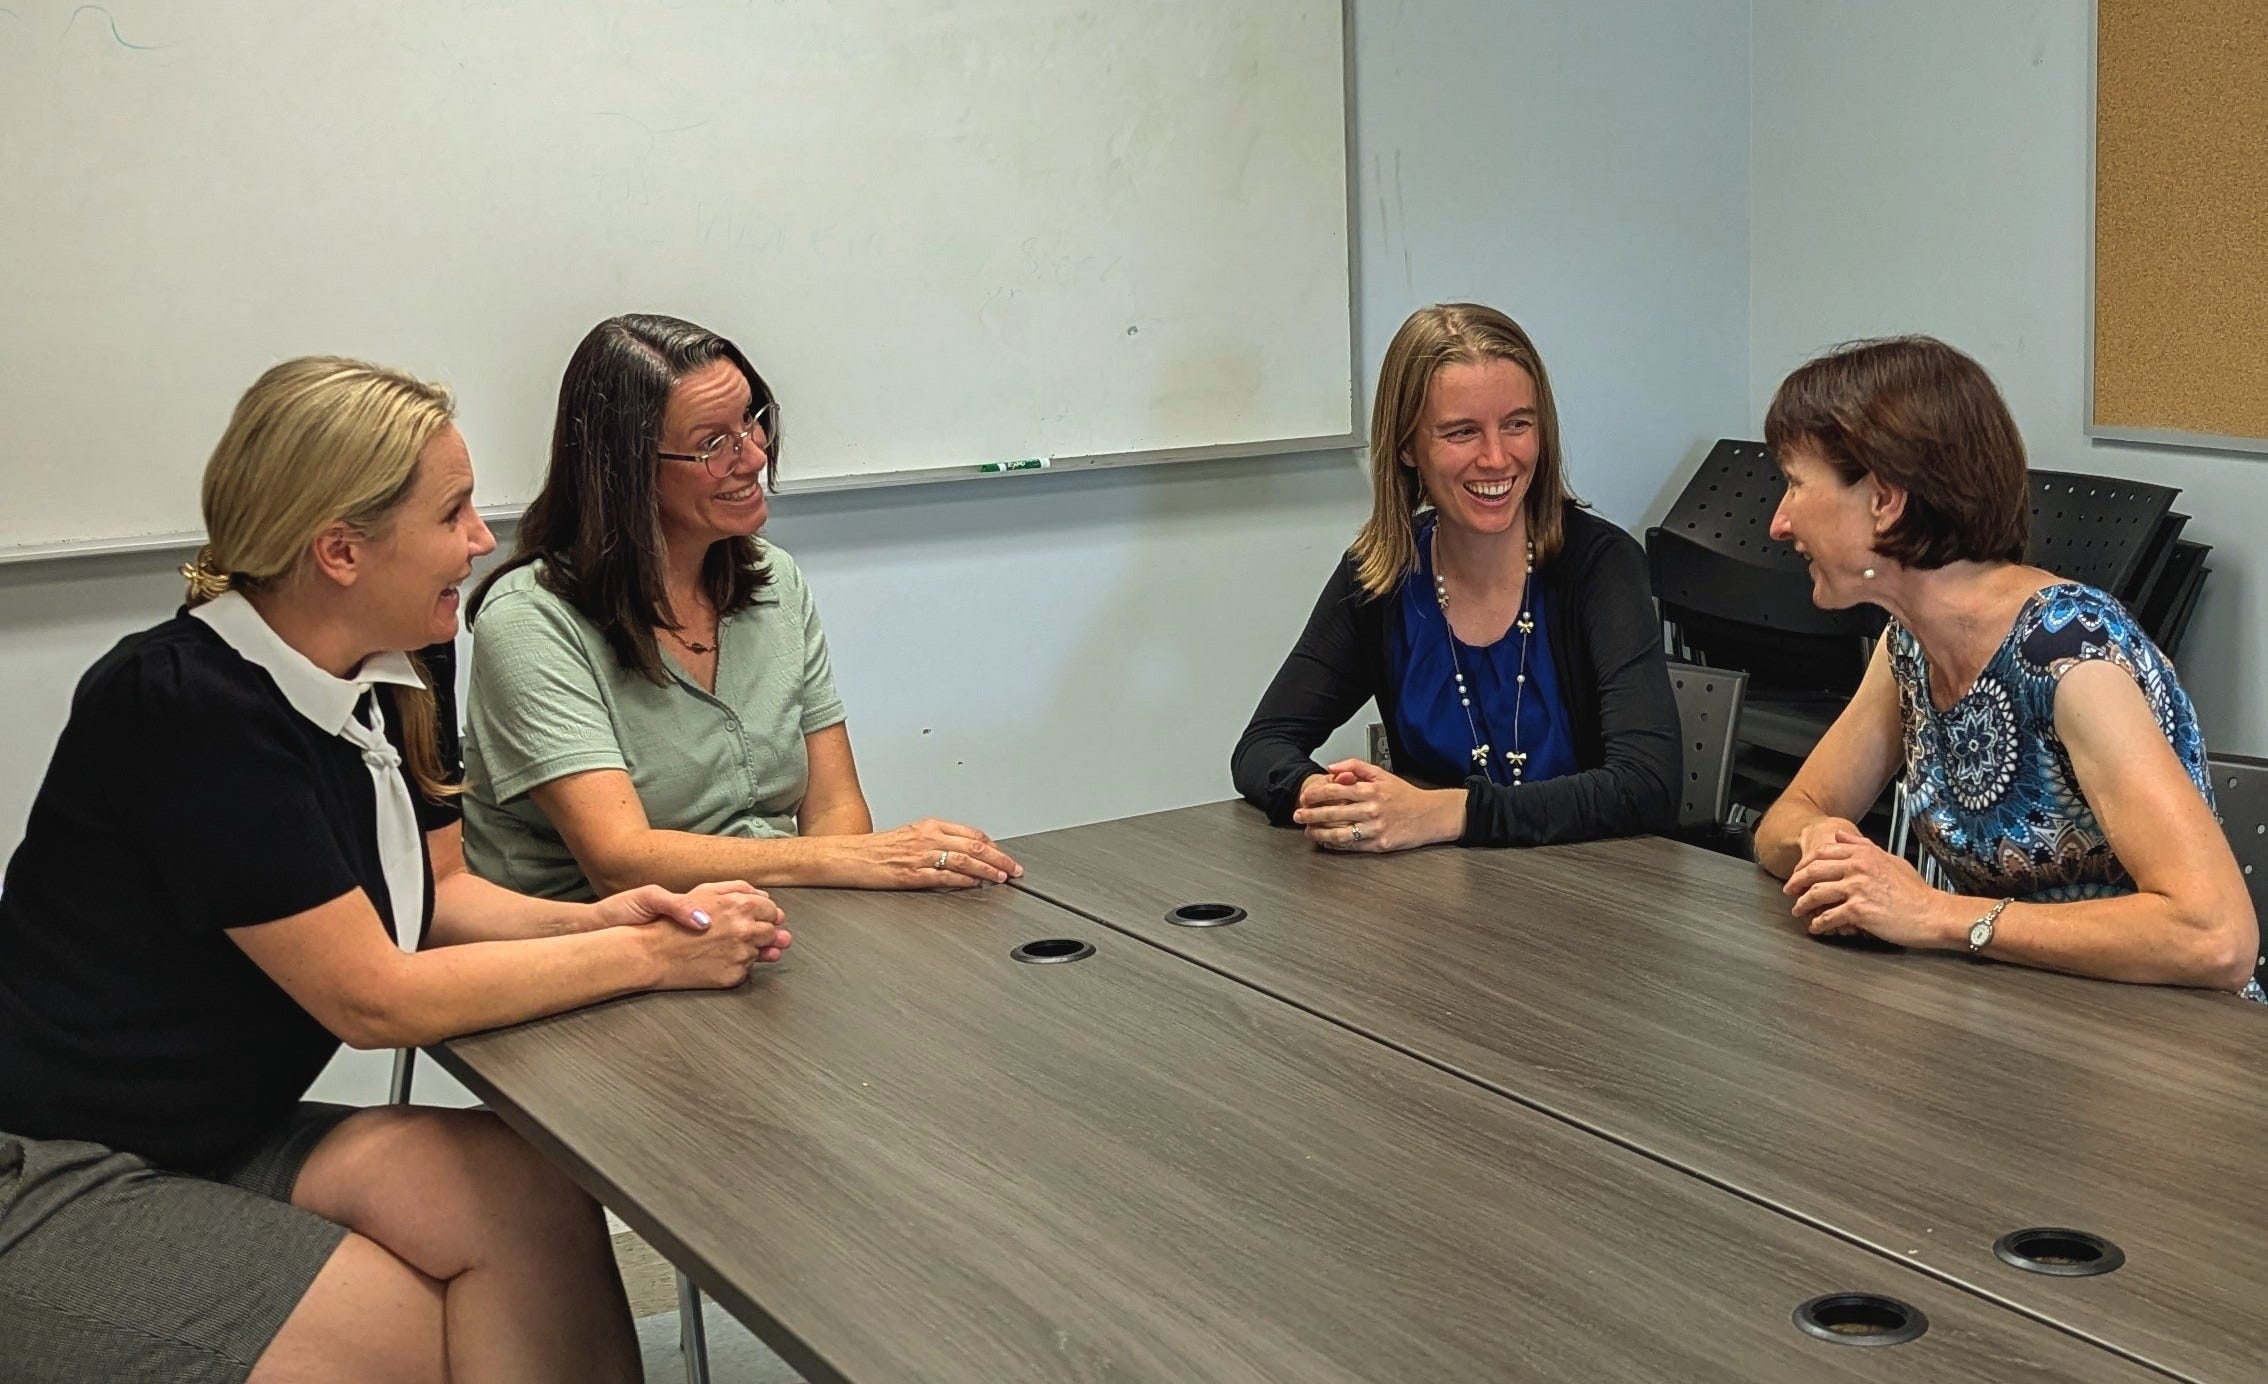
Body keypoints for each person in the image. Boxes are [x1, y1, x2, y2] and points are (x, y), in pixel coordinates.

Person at [0, 357, 790, 1382]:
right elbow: (375, 998)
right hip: (46, 1162)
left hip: (208, 1128)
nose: (481, 540)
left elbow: (440, 901)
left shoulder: (391, 666)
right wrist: (651, 958)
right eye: (454, 513)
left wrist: (615, 921)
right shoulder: (187, 706)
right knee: (403, 1335)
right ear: (340, 551)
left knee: (529, 1187)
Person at [1752, 335, 2260, 998]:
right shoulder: (1909, 643)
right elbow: (1787, 820)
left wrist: (1935, 914)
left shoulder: (2071, 656)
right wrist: (1827, 843)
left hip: (2166, 1050)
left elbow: (2216, 938)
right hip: (2022, 1018)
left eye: (1794, 483)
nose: (1779, 523)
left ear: (1884, 498)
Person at [461, 314, 1021, 899]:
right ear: (623, 471)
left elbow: (834, 809)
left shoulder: (773, 580)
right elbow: (620, 861)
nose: (753, 457)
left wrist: (853, 899)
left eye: (753, 421)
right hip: (600, 946)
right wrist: (849, 859)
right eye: (711, 445)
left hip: (768, 919)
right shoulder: (531, 620)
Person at [1231, 303, 1679, 851]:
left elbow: (1647, 786)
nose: (1496, 458)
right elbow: (1263, 745)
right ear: (1405, 446)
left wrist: (1442, 813)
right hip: (1437, 900)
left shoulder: (1602, 564)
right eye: (1461, 432)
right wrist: (1330, 798)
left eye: (1517, 424)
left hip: (1591, 895)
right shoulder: (1381, 574)